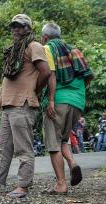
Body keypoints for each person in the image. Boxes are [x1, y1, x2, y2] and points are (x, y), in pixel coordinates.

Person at [0, 14, 51, 198]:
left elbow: (46, 72)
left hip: (23, 103)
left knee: (23, 148)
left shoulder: (34, 46)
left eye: (20, 26)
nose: (16, 29)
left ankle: (23, 186)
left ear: (28, 28)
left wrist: (33, 90)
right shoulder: (13, 50)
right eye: (13, 26)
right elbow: (6, 80)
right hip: (8, 104)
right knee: (2, 147)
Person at [41, 22, 93, 194]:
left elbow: (51, 75)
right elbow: (89, 75)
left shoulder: (48, 48)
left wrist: (50, 100)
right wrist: (77, 93)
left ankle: (61, 184)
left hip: (58, 101)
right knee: (63, 139)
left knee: (53, 143)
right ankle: (72, 163)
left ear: (45, 37)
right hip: (78, 101)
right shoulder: (74, 50)